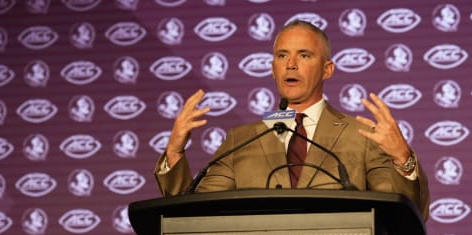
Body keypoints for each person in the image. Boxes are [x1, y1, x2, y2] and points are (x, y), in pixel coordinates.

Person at [154, 20, 429, 219]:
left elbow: (403, 213)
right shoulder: (242, 139)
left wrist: (403, 159)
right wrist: (175, 152)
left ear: (327, 70)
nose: (291, 64)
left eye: (304, 55)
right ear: (273, 68)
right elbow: (191, 213)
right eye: (282, 55)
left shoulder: (361, 135)